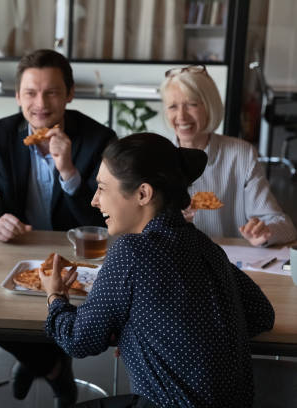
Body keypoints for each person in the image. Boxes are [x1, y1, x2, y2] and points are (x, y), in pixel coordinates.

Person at [41, 133, 275, 407]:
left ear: (143, 193)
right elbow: (261, 315)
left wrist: (55, 296)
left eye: (103, 188)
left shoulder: (131, 252)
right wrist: (148, 331)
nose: (95, 200)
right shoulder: (204, 245)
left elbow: (78, 340)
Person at [0, 49, 117, 407]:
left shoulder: (99, 139)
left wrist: (68, 172)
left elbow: (106, 218)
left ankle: (36, 362)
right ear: (17, 96)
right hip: (14, 252)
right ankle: (49, 366)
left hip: (78, 257)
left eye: (51, 92)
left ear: (70, 93)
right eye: (30, 93)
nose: (40, 104)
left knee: (76, 311)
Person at [160, 64, 296, 246]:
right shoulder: (157, 156)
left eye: (192, 104)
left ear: (209, 106)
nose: (181, 116)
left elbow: (284, 226)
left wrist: (266, 231)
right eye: (173, 107)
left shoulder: (241, 155)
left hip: (229, 266)